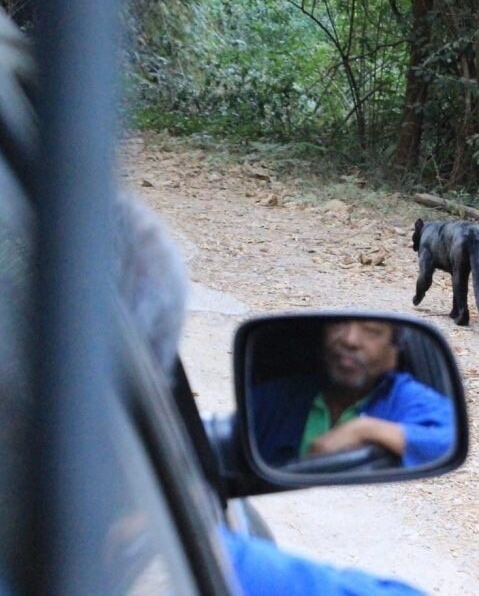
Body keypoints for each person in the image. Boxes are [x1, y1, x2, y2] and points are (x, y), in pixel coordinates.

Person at [112, 191, 426, 596]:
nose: (351, 346)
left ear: (392, 356)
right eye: (340, 337)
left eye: (370, 336)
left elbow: (437, 433)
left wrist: (368, 430)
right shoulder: (281, 400)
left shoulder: (405, 395)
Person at [252, 319, 455, 469]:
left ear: (392, 356)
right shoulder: (274, 397)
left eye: (371, 331)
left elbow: (451, 438)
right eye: (339, 324)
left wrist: (365, 429)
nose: (350, 340)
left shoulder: (401, 397)